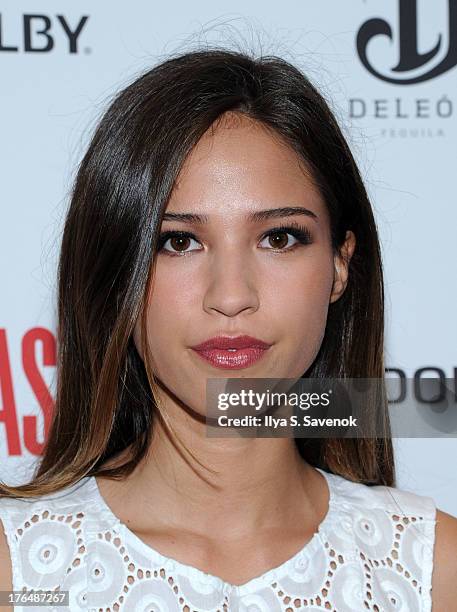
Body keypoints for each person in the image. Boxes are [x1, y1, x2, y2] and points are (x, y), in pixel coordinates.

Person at [0, 47, 456, 612]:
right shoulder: (18, 572)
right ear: (116, 272)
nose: (232, 296)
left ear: (340, 264)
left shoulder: (433, 572)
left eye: (280, 238)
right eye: (179, 241)